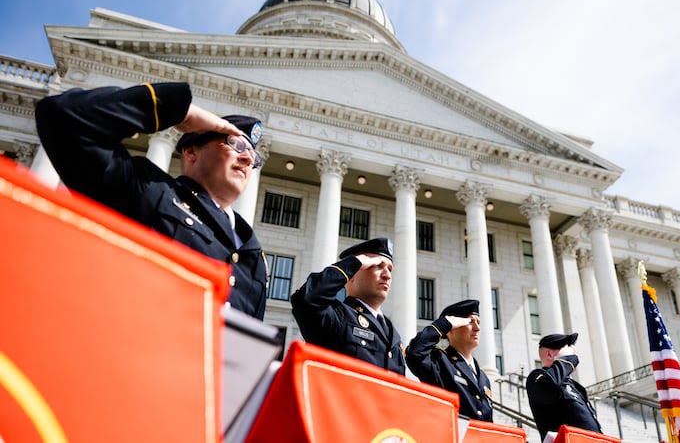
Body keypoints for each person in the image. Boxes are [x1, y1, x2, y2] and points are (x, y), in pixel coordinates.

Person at [35, 82, 268, 319]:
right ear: (191, 152)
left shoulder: (252, 251)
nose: (247, 159)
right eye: (235, 144)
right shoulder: (150, 189)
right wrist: (178, 110)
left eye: (253, 156)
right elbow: (63, 116)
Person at [290, 238, 405, 375]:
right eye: (378, 266)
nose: (387, 276)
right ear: (352, 275)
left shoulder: (394, 336)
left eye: (390, 269)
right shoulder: (338, 317)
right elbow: (307, 299)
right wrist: (356, 262)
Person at [405, 299, 493, 421]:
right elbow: (414, 353)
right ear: (452, 328)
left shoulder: (483, 377)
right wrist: (443, 324)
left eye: (478, 322)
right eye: (470, 322)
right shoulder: (439, 362)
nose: (477, 328)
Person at [526, 333, 602, 440]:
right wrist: (567, 360)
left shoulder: (575, 386)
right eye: (565, 349)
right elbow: (548, 386)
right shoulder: (537, 377)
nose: (573, 354)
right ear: (549, 355)